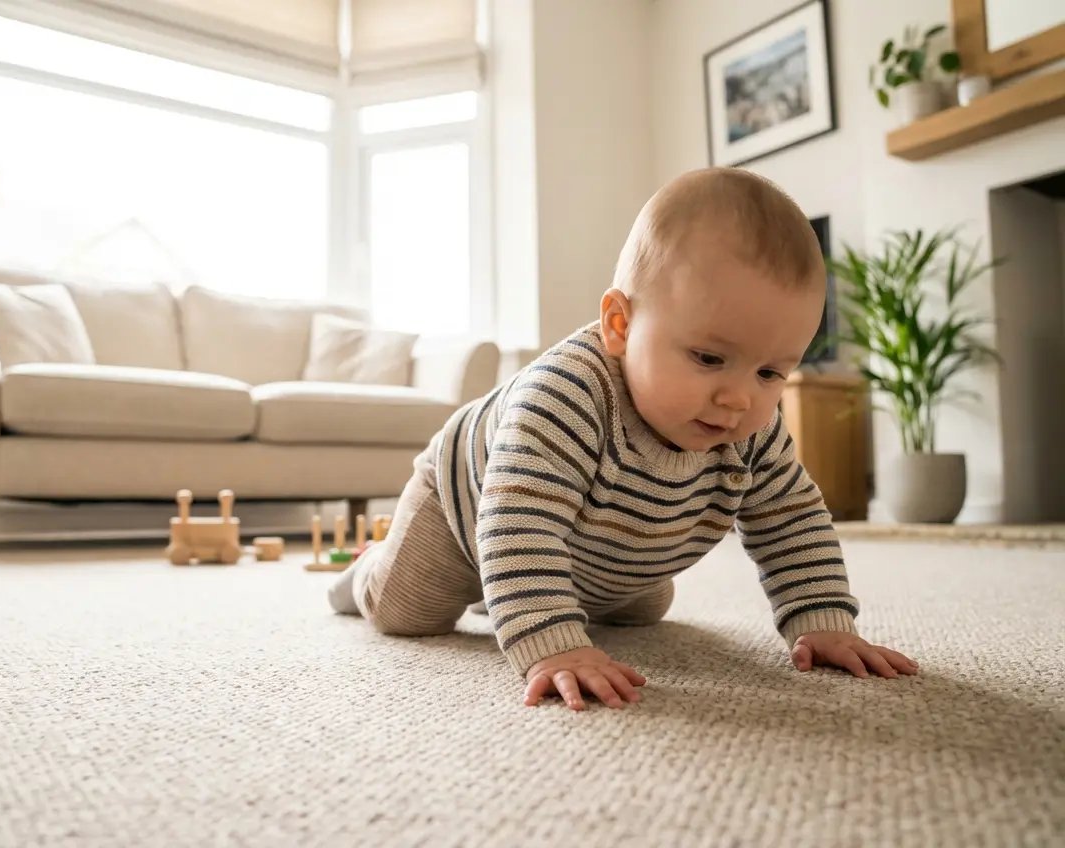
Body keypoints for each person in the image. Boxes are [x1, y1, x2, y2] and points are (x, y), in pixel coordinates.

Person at [329, 167, 919, 710]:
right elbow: (521, 520)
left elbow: (790, 520)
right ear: (620, 325)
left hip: (607, 542)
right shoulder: (563, 397)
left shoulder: (754, 426)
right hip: (471, 506)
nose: (739, 398)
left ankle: (525, 586)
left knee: (642, 608)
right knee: (411, 611)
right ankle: (370, 572)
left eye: (770, 372)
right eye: (710, 357)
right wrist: (550, 645)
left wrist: (823, 620)